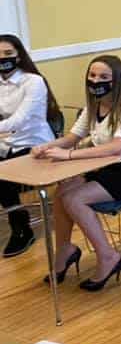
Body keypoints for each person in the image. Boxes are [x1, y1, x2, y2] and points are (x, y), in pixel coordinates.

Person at [31, 55, 121, 291]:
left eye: (104, 77)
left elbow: (116, 147)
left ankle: (108, 256)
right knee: (61, 192)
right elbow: (72, 138)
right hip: (106, 168)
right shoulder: (93, 106)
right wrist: (46, 147)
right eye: (93, 75)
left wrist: (68, 155)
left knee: (74, 199)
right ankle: (65, 249)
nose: (96, 81)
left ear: (117, 80)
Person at [0, 34, 61, 257]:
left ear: (19, 55)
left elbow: (20, 120)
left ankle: (21, 228)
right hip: (6, 143)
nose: (3, 58)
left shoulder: (33, 81)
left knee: (3, 174)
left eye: (8, 53)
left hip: (36, 145)